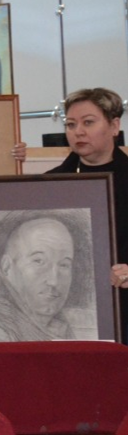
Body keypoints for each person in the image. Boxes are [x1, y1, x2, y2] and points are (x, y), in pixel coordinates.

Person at [48, 88, 128, 342]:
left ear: (114, 126)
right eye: (71, 124)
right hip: (65, 317)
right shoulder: (47, 185)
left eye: (88, 122)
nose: (78, 132)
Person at [0, 215, 91, 340]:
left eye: (64, 265)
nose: (53, 281)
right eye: (39, 261)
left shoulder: (63, 326)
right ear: (6, 267)